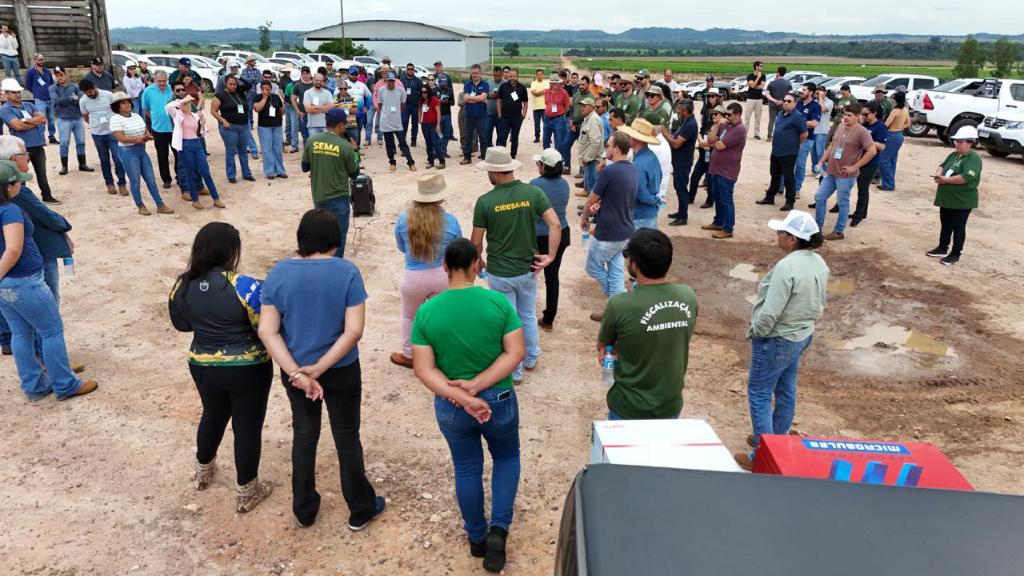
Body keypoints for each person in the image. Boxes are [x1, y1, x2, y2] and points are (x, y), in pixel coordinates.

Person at [257, 208, 386, 531]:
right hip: (341, 368)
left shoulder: (278, 274)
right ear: (334, 241)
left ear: (301, 238)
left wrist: (298, 373)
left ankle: (304, 509)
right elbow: (354, 331)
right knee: (347, 436)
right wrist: (321, 367)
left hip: (296, 370)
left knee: (304, 434)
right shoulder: (347, 272)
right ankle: (360, 508)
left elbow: (267, 331)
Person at [411, 238, 524, 574]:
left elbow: (423, 369)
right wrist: (478, 385)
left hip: (452, 405)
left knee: (466, 468)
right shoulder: (497, 302)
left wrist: (464, 396)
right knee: (506, 457)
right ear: (477, 265)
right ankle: (499, 530)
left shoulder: (427, 311)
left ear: (444, 267)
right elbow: (516, 352)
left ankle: (476, 537)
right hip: (498, 399)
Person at [169, 222, 273, 511]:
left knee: (213, 414)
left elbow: (181, 324)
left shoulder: (182, 284)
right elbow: (263, 327)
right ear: (231, 252)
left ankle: (203, 472)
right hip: (248, 366)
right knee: (247, 426)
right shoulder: (245, 285)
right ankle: (247, 491)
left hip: (202, 363)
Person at [734, 210, 828, 471]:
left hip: (777, 337)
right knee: (786, 389)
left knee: (760, 393)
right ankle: (775, 438)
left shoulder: (787, 267)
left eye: (781, 232)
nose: (777, 235)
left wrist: (756, 332)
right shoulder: (818, 262)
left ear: (793, 239)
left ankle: (763, 455)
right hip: (801, 334)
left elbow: (770, 312)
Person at [0, 159, 97, 400]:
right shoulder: (10, 210)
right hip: (24, 280)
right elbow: (13, 249)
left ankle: (34, 386)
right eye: (17, 183)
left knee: (20, 334)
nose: (20, 186)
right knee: (51, 330)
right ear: (7, 186)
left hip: (6, 285)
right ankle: (65, 384)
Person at [471, 146, 560, 383]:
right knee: (527, 315)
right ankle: (531, 358)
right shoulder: (533, 193)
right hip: (528, 269)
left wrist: (479, 260)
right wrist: (550, 256)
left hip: (500, 272)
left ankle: (515, 370)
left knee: (508, 321)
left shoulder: (485, 202)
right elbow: (555, 224)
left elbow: (476, 242)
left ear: (493, 172)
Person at [597, 228, 698, 420]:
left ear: (634, 265)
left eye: (627, 257)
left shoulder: (620, 304)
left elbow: (604, 346)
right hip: (669, 405)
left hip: (628, 407)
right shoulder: (688, 296)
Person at [0, 135, 81, 371]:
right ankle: (56, 370)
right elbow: (43, 216)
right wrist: (65, 226)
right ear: (13, 160)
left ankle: (35, 377)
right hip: (30, 265)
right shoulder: (15, 197)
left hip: (12, 275)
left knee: (20, 330)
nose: (28, 158)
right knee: (49, 322)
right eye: (24, 154)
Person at [391, 172, 462, 368]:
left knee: (409, 316)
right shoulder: (451, 220)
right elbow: (457, 248)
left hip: (413, 276)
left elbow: (401, 247)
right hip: (442, 275)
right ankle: (443, 353)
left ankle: (409, 354)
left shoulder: (404, 218)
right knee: (443, 316)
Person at [582, 132, 635, 319]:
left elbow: (591, 199)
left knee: (592, 266)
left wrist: (585, 217)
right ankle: (616, 309)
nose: (606, 149)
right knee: (616, 272)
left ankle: (618, 304)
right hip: (625, 231)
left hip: (609, 233)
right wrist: (602, 204)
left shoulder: (610, 171)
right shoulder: (633, 169)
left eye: (608, 146)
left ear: (617, 149)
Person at [812, 102, 875, 240]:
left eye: (849, 115)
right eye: (845, 114)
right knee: (819, 197)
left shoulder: (862, 132)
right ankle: (817, 227)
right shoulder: (841, 126)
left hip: (845, 176)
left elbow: (872, 151)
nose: (845, 117)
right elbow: (832, 145)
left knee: (842, 202)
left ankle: (839, 231)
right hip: (831, 172)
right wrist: (822, 161)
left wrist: (855, 166)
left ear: (857, 116)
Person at [301, 108, 360, 257]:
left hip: (319, 196)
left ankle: (322, 262)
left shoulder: (311, 140)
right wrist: (355, 151)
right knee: (338, 237)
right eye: (345, 125)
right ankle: (335, 265)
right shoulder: (345, 146)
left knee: (322, 235)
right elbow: (354, 173)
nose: (346, 127)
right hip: (338, 198)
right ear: (339, 125)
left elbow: (304, 167)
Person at [925, 125, 982, 266]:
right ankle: (942, 247)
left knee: (958, 227)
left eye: (960, 142)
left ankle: (956, 254)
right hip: (947, 198)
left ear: (970, 143)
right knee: (946, 224)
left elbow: (966, 177)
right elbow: (942, 165)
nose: (957, 144)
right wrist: (938, 174)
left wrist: (945, 180)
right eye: (956, 141)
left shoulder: (973, 158)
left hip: (962, 199)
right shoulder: (954, 155)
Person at [109, 92, 172, 215]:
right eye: (123, 103)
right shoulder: (115, 119)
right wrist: (136, 139)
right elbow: (121, 138)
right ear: (117, 106)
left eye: (128, 102)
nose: (127, 104)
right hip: (128, 152)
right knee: (135, 181)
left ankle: (160, 204)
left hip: (140, 149)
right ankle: (140, 205)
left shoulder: (137, 116)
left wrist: (147, 137)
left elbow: (145, 131)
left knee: (151, 179)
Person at [530, 149, 570, 332]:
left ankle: (526, 313)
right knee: (552, 277)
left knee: (530, 274)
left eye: (539, 163)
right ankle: (548, 319)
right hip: (561, 233)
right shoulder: (565, 184)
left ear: (544, 166)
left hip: (540, 235)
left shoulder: (535, 185)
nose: (538, 166)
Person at [0, 78, 57, 203]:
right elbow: (18, 126)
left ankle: (47, 195)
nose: (18, 94)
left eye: (18, 92)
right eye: (14, 92)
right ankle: (23, 200)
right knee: (21, 176)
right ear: (7, 94)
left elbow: (43, 119)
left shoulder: (28, 105)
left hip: (37, 145)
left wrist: (25, 120)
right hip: (20, 150)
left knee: (42, 173)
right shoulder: (5, 109)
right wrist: (34, 121)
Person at [166, 89, 223, 210]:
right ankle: (195, 199)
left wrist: (202, 121)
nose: (186, 106)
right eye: (185, 104)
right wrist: (182, 101)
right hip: (185, 144)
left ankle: (216, 198)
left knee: (205, 172)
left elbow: (201, 131)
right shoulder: (177, 115)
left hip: (196, 143)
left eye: (188, 104)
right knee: (190, 173)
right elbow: (169, 106)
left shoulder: (195, 115)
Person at [702, 103, 747, 239]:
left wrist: (714, 142)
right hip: (716, 169)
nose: (726, 117)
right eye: (725, 114)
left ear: (738, 115)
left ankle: (728, 228)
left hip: (727, 171)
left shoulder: (739, 129)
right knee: (717, 197)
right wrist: (717, 126)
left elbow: (720, 146)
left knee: (726, 199)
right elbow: (710, 139)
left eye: (729, 114)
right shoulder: (725, 125)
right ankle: (718, 222)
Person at [757, 93, 805, 210]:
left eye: (789, 101)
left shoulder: (798, 117)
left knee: (788, 177)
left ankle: (790, 201)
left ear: (795, 103)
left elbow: (804, 134)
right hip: (776, 150)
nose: (785, 103)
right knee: (774, 175)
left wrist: (797, 144)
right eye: (784, 100)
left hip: (789, 152)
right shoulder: (780, 113)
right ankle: (770, 197)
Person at [78, 79, 127, 196]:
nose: (89, 94)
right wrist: (95, 125)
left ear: (95, 87)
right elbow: (85, 116)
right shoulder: (83, 101)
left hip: (113, 132)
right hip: (97, 134)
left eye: (91, 91)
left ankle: (122, 184)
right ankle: (109, 183)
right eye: (86, 93)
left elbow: (118, 110)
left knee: (118, 158)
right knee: (104, 160)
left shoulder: (108, 95)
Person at [847, 101, 887, 227]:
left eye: (866, 114)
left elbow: (882, 146)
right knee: (860, 187)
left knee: (863, 188)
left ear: (874, 113)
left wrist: (867, 141)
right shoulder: (864, 125)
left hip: (871, 162)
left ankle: (859, 215)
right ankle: (861, 212)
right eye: (862, 114)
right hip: (859, 159)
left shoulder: (880, 126)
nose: (864, 117)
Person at [210, 76, 255, 184]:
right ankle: (231, 175)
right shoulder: (220, 95)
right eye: (230, 84)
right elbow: (213, 111)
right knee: (231, 152)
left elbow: (249, 85)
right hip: (230, 127)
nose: (233, 86)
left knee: (243, 151)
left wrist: (240, 77)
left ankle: (246, 173)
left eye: (234, 84)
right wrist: (222, 120)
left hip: (244, 126)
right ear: (225, 84)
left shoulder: (240, 93)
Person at [619, 118, 662, 231]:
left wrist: (655, 201)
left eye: (629, 135)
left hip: (640, 215)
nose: (627, 137)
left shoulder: (638, 164)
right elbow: (660, 176)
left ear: (636, 139)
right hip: (649, 214)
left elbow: (640, 194)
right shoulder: (652, 156)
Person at [49, 66, 93, 176]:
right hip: (63, 119)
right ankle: (64, 166)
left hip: (77, 117)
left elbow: (81, 98)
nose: (59, 77)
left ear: (66, 75)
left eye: (61, 75)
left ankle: (82, 164)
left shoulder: (75, 86)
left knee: (81, 142)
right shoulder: (53, 88)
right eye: (57, 76)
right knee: (64, 143)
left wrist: (67, 100)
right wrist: (72, 98)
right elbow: (57, 100)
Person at [663, 99, 698, 226]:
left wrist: (664, 132)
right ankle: (681, 212)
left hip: (683, 162)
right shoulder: (686, 122)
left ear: (686, 111)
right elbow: (676, 136)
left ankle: (683, 217)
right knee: (678, 187)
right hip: (679, 161)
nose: (678, 112)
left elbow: (676, 144)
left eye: (680, 110)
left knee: (682, 189)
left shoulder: (690, 124)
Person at [141, 71, 178, 190]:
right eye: (159, 81)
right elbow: (146, 109)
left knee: (178, 154)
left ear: (167, 79)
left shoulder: (172, 89)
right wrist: (155, 119)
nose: (162, 83)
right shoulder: (148, 91)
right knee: (162, 155)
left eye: (164, 81)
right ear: (154, 80)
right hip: (158, 129)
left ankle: (180, 176)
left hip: (175, 128)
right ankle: (166, 179)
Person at [690, 89, 722, 209]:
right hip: (704, 154)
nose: (713, 115)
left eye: (716, 114)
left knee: (711, 181)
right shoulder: (709, 121)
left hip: (713, 157)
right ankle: (690, 197)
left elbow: (719, 142)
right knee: (694, 177)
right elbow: (700, 131)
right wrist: (702, 143)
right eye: (712, 114)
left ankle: (710, 201)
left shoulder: (722, 127)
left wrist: (706, 144)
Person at [378, 72, 416, 172]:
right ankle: (392, 162)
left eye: (392, 80)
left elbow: (403, 104)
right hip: (386, 121)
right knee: (389, 143)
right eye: (389, 80)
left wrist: (397, 112)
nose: (390, 82)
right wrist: (386, 112)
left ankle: (411, 162)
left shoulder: (400, 91)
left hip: (397, 122)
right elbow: (380, 105)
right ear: (386, 81)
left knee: (403, 142)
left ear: (395, 81)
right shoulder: (381, 90)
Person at [792, 83, 821, 200]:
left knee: (799, 164)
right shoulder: (797, 103)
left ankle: (796, 189)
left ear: (811, 92)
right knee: (787, 162)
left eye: (804, 89)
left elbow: (814, 123)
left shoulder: (815, 106)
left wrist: (798, 121)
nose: (801, 91)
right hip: (792, 137)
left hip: (807, 139)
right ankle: (781, 187)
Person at [253, 80, 287, 180]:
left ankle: (280, 170)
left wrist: (279, 117)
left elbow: (282, 110)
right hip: (264, 127)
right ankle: (269, 171)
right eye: (263, 89)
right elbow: (257, 109)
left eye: (268, 89)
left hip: (277, 126)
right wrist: (264, 98)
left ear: (271, 89)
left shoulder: (276, 97)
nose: (266, 91)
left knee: (277, 149)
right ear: (261, 89)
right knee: (267, 149)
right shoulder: (258, 97)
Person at [878, 91, 909, 191]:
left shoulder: (895, 111)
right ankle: (890, 182)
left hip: (891, 135)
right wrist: (900, 127)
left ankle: (888, 184)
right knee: (892, 160)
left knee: (883, 160)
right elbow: (908, 123)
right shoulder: (905, 109)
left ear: (895, 100)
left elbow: (886, 125)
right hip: (899, 135)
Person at [496, 69, 529, 159]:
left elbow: (525, 103)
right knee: (502, 136)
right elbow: (499, 101)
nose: (512, 78)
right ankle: (500, 154)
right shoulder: (503, 86)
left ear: (517, 76)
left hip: (517, 117)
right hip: (504, 117)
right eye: (510, 76)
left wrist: (524, 115)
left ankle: (513, 155)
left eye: (514, 76)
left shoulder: (522, 88)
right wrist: (499, 114)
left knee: (514, 137)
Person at [461, 65, 490, 165]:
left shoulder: (485, 84)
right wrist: (478, 99)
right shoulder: (467, 84)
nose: (474, 75)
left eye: (476, 73)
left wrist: (471, 98)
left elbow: (483, 97)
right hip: (469, 115)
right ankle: (467, 158)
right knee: (468, 137)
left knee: (483, 137)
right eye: (473, 73)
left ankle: (484, 158)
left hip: (481, 115)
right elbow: (465, 98)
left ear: (480, 73)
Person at [24, 54, 57, 144]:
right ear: (35, 60)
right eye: (39, 60)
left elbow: (52, 83)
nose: (41, 61)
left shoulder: (47, 71)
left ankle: (52, 136)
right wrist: (36, 92)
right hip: (40, 99)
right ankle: (41, 138)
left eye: (42, 59)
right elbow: (27, 85)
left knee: (51, 119)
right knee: (41, 119)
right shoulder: (30, 72)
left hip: (50, 98)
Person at [576, 96, 604, 198]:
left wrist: (587, 158)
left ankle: (591, 204)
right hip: (588, 157)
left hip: (592, 158)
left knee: (593, 185)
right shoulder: (589, 118)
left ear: (591, 107)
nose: (582, 108)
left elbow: (596, 142)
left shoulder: (593, 120)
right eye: (581, 106)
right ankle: (586, 191)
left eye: (584, 106)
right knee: (588, 178)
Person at [542, 74, 570, 165]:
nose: (554, 84)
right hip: (547, 118)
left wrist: (561, 114)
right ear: (550, 83)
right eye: (552, 82)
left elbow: (567, 106)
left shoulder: (564, 93)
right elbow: (546, 103)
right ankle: (546, 160)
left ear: (559, 83)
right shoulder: (547, 92)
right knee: (545, 140)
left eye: (556, 82)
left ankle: (558, 161)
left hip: (558, 119)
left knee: (559, 141)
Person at [239, 56, 263, 159]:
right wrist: (251, 80)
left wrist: (251, 80)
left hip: (256, 91)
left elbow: (258, 80)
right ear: (249, 62)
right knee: (248, 109)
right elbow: (247, 81)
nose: (254, 62)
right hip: (249, 92)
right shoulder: (244, 71)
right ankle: (251, 122)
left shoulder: (257, 70)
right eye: (253, 61)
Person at [418, 84, 443, 169]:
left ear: (428, 91)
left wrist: (438, 124)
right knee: (428, 143)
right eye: (422, 92)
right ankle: (430, 161)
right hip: (424, 124)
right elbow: (420, 110)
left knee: (435, 143)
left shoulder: (434, 100)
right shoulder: (421, 100)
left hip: (433, 124)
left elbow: (438, 112)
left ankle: (442, 161)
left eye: (425, 92)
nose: (423, 94)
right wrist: (419, 119)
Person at [810, 87, 833, 174]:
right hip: (813, 129)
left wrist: (820, 98)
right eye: (817, 91)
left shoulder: (829, 102)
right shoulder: (814, 101)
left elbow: (822, 109)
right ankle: (815, 170)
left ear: (825, 93)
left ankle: (822, 170)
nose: (818, 93)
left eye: (820, 91)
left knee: (820, 152)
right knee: (813, 152)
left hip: (822, 130)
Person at [302, 73, 333, 137]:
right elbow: (308, 109)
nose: (319, 82)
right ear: (313, 80)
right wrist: (324, 108)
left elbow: (331, 108)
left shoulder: (327, 93)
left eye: (321, 81)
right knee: (314, 143)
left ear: (323, 82)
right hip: (312, 126)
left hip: (326, 125)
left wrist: (315, 107)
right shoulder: (307, 93)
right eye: (317, 80)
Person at [291, 66, 314, 150]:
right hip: (303, 114)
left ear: (310, 74)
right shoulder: (298, 86)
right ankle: (307, 153)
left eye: (307, 73)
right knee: (305, 135)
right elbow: (293, 99)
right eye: (303, 73)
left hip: (314, 113)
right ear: (301, 75)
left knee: (315, 135)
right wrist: (298, 111)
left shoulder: (314, 84)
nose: (305, 75)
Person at [400, 63, 423, 147]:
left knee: (415, 123)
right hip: (405, 105)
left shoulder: (418, 81)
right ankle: (402, 140)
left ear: (414, 70)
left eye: (411, 69)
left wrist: (421, 104)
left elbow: (422, 92)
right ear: (406, 70)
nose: (410, 70)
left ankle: (414, 139)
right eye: (408, 69)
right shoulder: (402, 80)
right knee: (404, 122)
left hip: (415, 105)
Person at [764, 66, 789, 141]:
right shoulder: (787, 84)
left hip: (772, 104)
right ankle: (778, 136)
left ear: (777, 72)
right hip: (783, 104)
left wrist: (774, 100)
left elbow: (767, 94)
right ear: (785, 73)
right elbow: (790, 94)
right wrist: (783, 101)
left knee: (771, 120)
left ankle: (769, 136)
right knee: (781, 120)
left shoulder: (772, 83)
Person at [744, 61, 767, 139]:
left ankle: (756, 134)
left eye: (762, 66)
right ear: (756, 67)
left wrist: (753, 85)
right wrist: (757, 78)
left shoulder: (763, 76)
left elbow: (761, 86)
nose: (762, 67)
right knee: (747, 117)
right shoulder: (750, 76)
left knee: (758, 118)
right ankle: (745, 133)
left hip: (759, 99)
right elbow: (752, 85)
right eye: (761, 66)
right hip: (750, 98)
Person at [529, 68, 548, 143]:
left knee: (546, 123)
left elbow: (546, 91)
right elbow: (533, 92)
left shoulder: (546, 83)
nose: (539, 76)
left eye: (540, 74)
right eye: (538, 75)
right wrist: (541, 92)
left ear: (543, 75)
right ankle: (537, 137)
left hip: (545, 107)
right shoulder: (533, 83)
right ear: (536, 75)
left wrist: (537, 92)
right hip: (536, 107)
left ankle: (547, 137)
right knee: (536, 124)